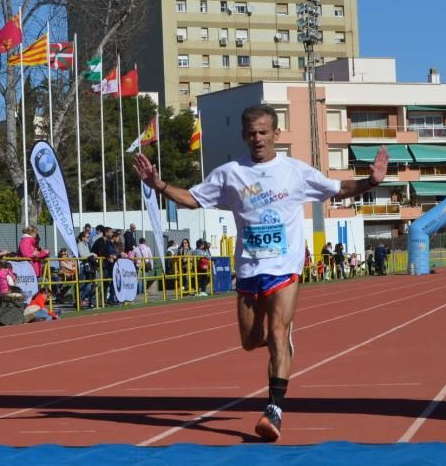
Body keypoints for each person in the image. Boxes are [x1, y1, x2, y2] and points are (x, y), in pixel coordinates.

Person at [133, 103, 388, 442]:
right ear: (243, 136)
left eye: (264, 132)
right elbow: (193, 199)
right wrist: (159, 184)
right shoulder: (230, 174)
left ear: (276, 134)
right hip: (249, 269)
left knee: (279, 333)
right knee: (251, 341)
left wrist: (371, 182)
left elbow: (338, 189)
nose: (257, 138)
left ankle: (274, 411)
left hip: (284, 268)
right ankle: (276, 345)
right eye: (251, 133)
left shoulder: (296, 172)